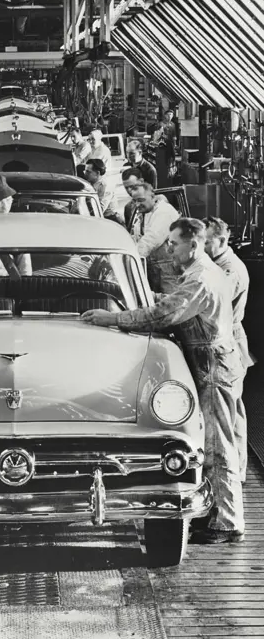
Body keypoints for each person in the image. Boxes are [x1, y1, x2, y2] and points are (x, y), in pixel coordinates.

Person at [81, 218, 245, 544]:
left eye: (174, 244)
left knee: (217, 444)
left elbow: (164, 315)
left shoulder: (201, 278)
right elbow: (170, 302)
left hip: (212, 365)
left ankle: (227, 522)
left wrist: (111, 317)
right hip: (213, 361)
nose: (169, 249)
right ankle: (218, 514)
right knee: (213, 441)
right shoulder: (202, 273)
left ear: (193, 245)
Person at [204, 216, 253, 482]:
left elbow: (212, 306)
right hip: (227, 338)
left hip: (229, 341)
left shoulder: (230, 270)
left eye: (207, 242)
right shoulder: (216, 265)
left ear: (222, 241)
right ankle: (237, 471)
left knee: (231, 414)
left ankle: (236, 473)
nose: (202, 247)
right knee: (233, 412)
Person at [129, 181, 181, 292]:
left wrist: (130, 259)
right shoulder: (145, 212)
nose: (137, 204)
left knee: (172, 304)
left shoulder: (164, 212)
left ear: (153, 197)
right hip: (155, 268)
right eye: (135, 201)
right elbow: (136, 237)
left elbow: (151, 239)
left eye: (141, 200)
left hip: (169, 270)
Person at [80, 159, 123, 224]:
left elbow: (99, 210)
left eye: (88, 172)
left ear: (97, 173)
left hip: (110, 220)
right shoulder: (90, 183)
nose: (85, 173)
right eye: (85, 171)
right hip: (96, 217)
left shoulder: (105, 186)